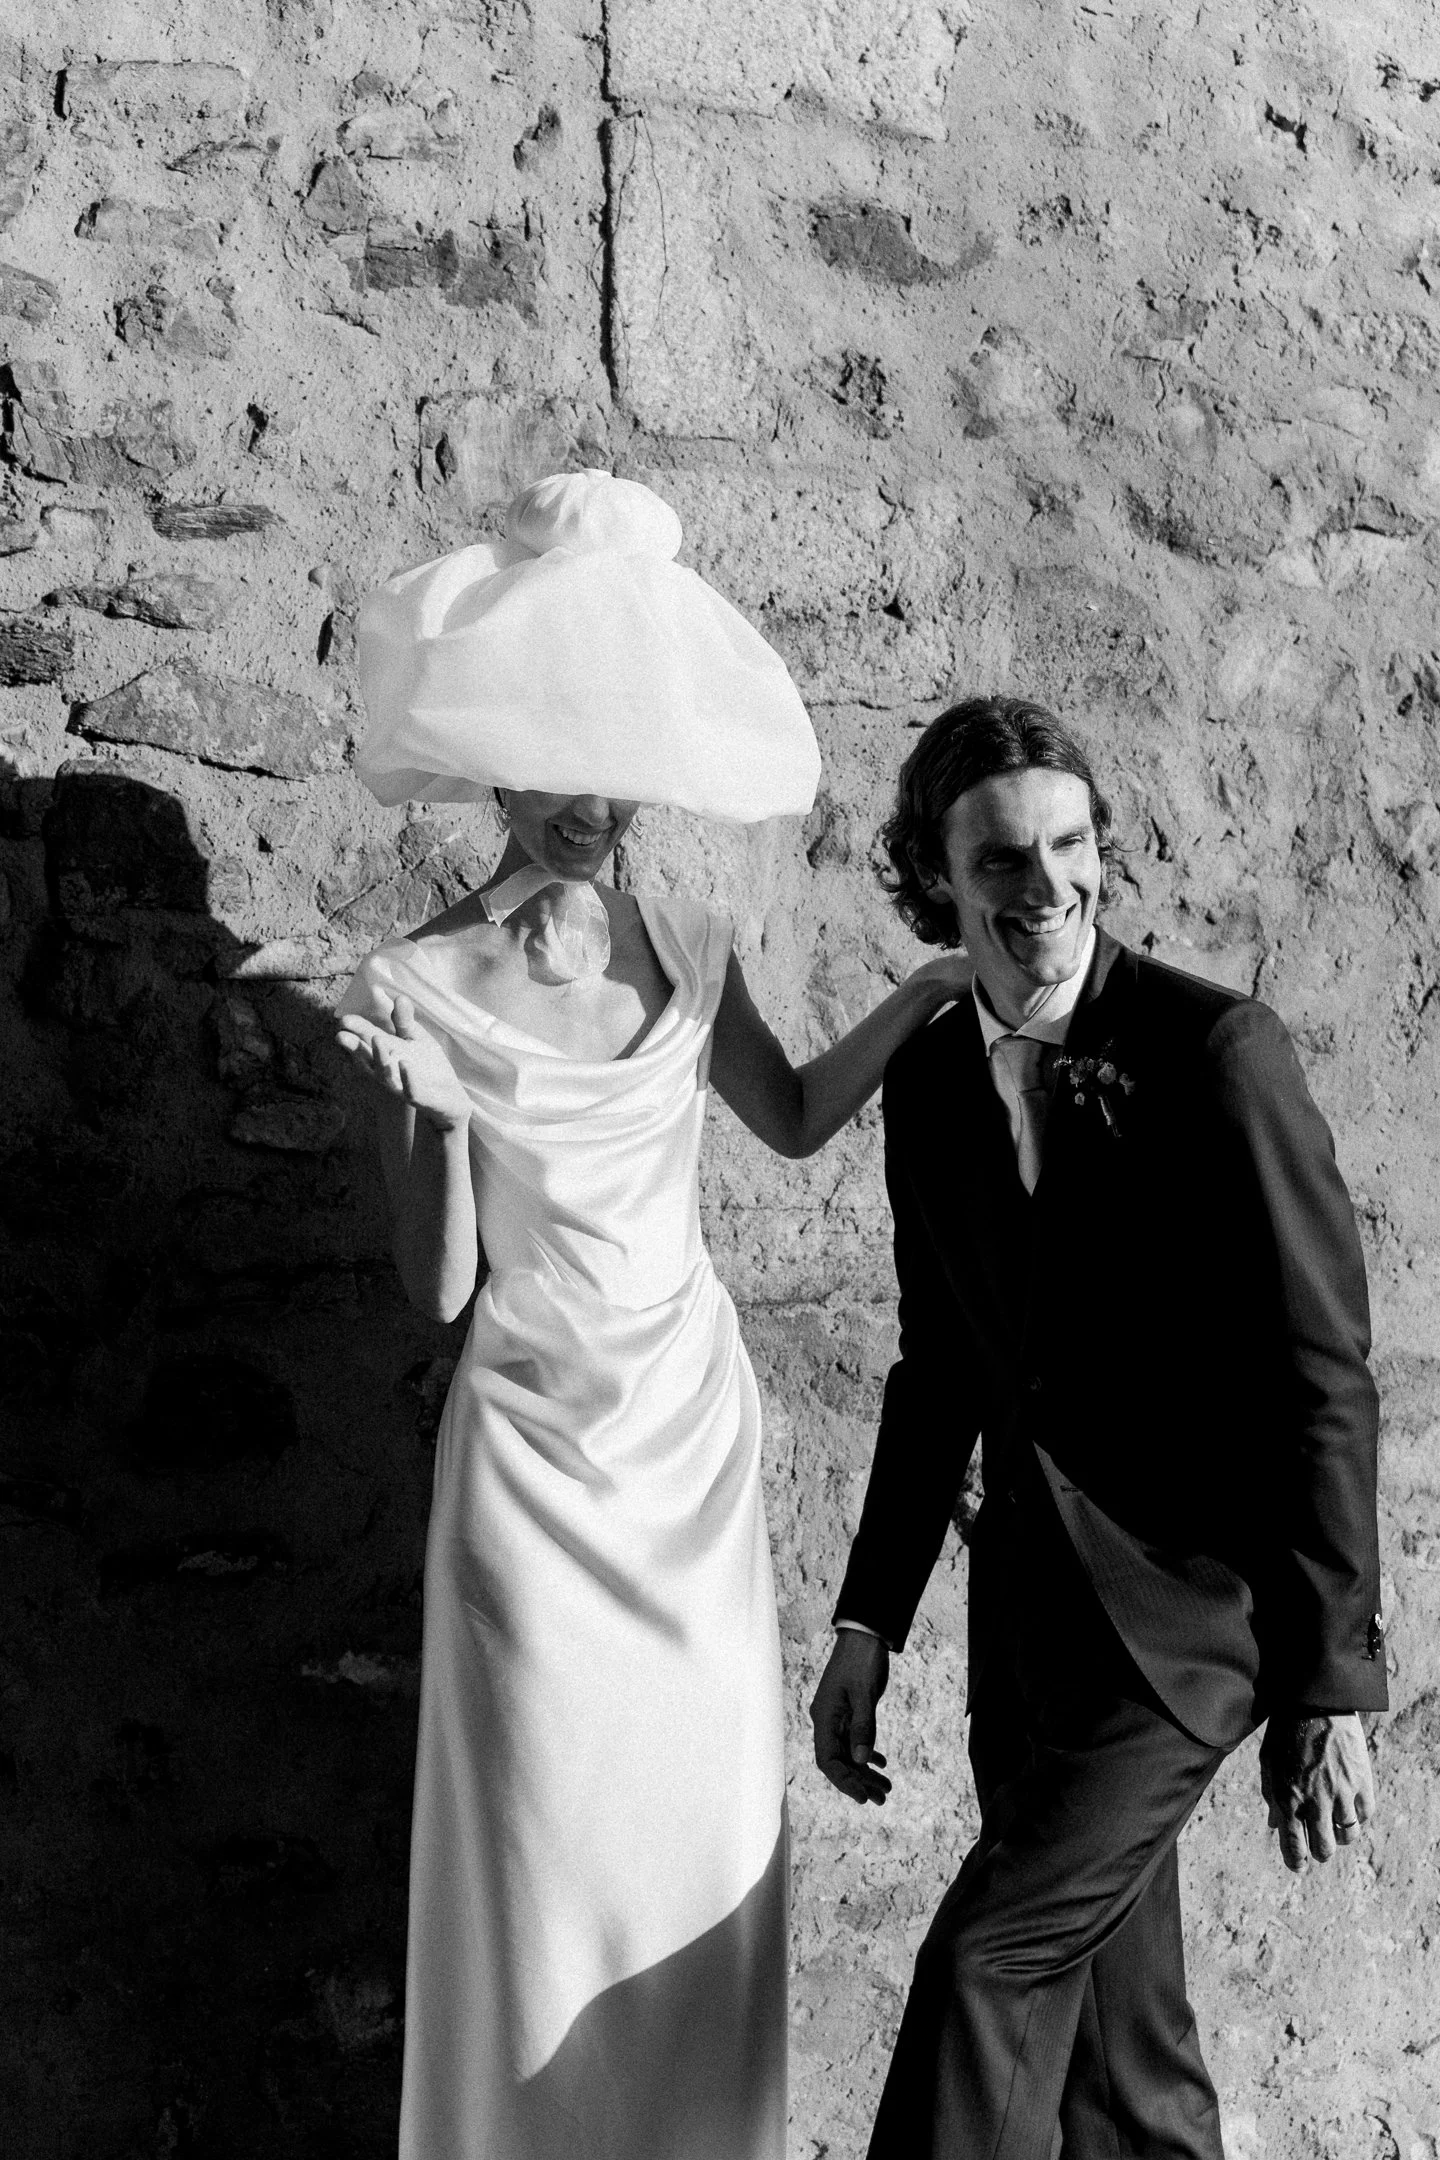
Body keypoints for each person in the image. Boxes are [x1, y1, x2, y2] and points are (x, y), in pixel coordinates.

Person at [334, 470, 971, 2160]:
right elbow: (445, 1287)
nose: (597, 809)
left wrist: (918, 994)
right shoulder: (411, 986)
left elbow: (796, 1115)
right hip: (533, 1477)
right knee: (543, 1876)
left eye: (627, 770)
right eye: (562, 765)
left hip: (691, 1456)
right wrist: (419, 1111)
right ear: (497, 750)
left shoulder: (689, 937)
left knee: (702, 1863)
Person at [810, 694, 1387, 2160]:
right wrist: (870, 1622)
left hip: (1191, 1626)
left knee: (988, 1966)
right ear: (936, 875)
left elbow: (1321, 1373)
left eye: (1070, 847)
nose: (1046, 886)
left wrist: (1331, 1679)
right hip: (1029, 1636)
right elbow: (938, 1371)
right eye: (1000, 860)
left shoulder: (1215, 1051)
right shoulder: (930, 1082)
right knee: (1129, 2068)